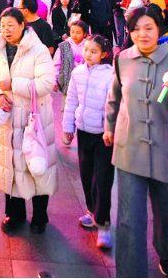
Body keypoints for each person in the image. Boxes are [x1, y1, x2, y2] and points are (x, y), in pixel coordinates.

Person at [104, 6, 168, 278]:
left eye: (148, 28)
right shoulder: (122, 59)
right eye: (135, 29)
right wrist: (109, 127)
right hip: (129, 148)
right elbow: (115, 98)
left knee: (166, 215)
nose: (142, 34)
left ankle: (165, 252)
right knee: (129, 219)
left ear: (159, 29)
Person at [0, 7, 57, 235]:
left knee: (36, 166)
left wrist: (13, 85)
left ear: (22, 25)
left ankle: (40, 216)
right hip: (7, 117)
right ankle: (14, 214)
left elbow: (47, 83)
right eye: (3, 25)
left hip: (32, 119)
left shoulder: (38, 49)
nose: (6, 30)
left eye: (11, 25)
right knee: (11, 167)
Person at [62, 34, 115, 249]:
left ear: (104, 54)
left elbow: (113, 104)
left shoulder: (111, 75)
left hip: (104, 136)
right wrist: (68, 128)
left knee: (102, 179)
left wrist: (110, 129)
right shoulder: (77, 73)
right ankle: (92, 211)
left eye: (94, 52)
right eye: (86, 50)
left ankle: (103, 224)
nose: (88, 55)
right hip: (83, 132)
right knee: (86, 174)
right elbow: (71, 101)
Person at [53, 20, 88, 99]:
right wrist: (54, 80)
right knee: (68, 103)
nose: (74, 35)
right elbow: (56, 64)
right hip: (67, 81)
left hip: (84, 81)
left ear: (85, 34)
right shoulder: (64, 46)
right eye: (72, 32)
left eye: (78, 33)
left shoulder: (87, 46)